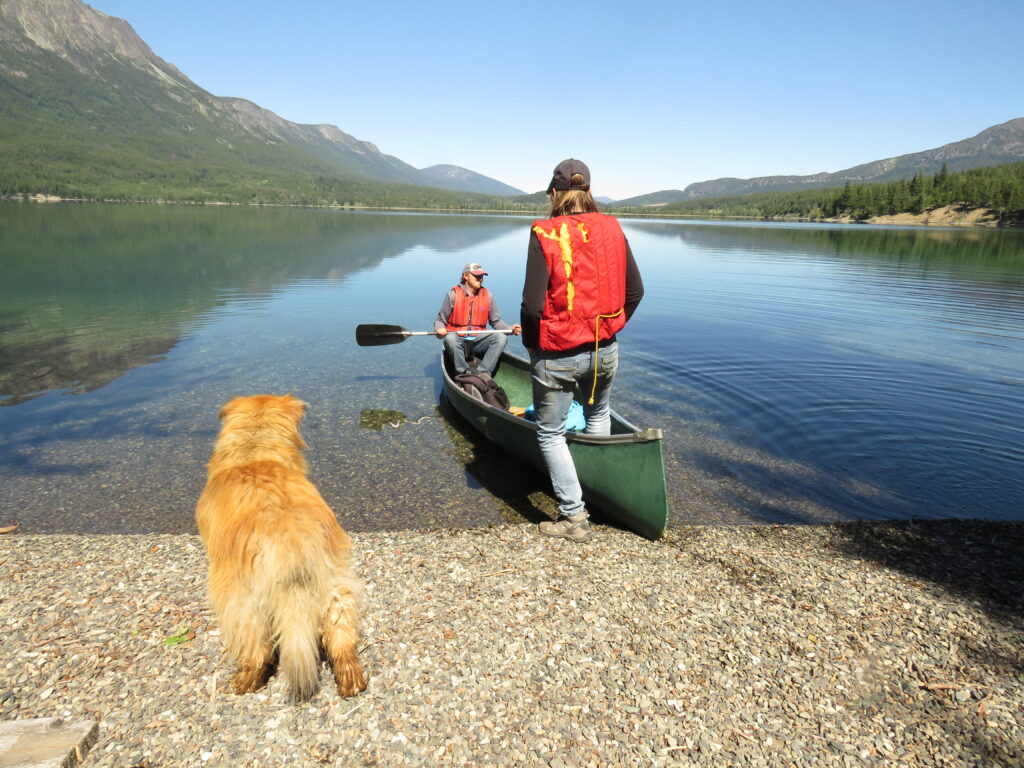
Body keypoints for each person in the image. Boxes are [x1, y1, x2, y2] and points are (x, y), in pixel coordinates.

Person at [520, 159, 644, 542]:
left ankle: (574, 516)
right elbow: (635, 292)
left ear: (555, 194)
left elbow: (532, 307)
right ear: (588, 191)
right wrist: (610, 327)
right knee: (598, 413)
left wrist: (531, 345)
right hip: (605, 349)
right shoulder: (613, 227)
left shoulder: (546, 231)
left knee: (550, 433)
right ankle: (599, 494)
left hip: (557, 353)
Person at [436, 262, 521, 375]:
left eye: (481, 276)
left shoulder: (488, 296)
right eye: (476, 276)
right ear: (466, 276)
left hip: (478, 340)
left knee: (501, 337)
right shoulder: (452, 295)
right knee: (450, 339)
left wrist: (510, 329)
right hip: (458, 340)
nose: (480, 279)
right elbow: (440, 320)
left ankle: (483, 373)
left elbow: (495, 321)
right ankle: (463, 373)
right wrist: (440, 329)